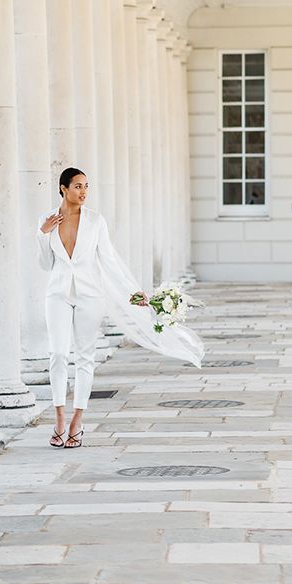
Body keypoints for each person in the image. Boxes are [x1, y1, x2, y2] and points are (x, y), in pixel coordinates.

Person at [36, 167, 204, 449]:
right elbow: (44, 264)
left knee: (85, 358)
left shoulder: (95, 221)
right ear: (63, 188)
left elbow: (109, 261)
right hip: (57, 295)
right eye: (77, 186)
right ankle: (59, 419)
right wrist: (43, 234)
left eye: (86, 186)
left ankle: (77, 421)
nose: (83, 192)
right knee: (58, 354)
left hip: (90, 296)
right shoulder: (46, 220)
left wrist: (132, 292)